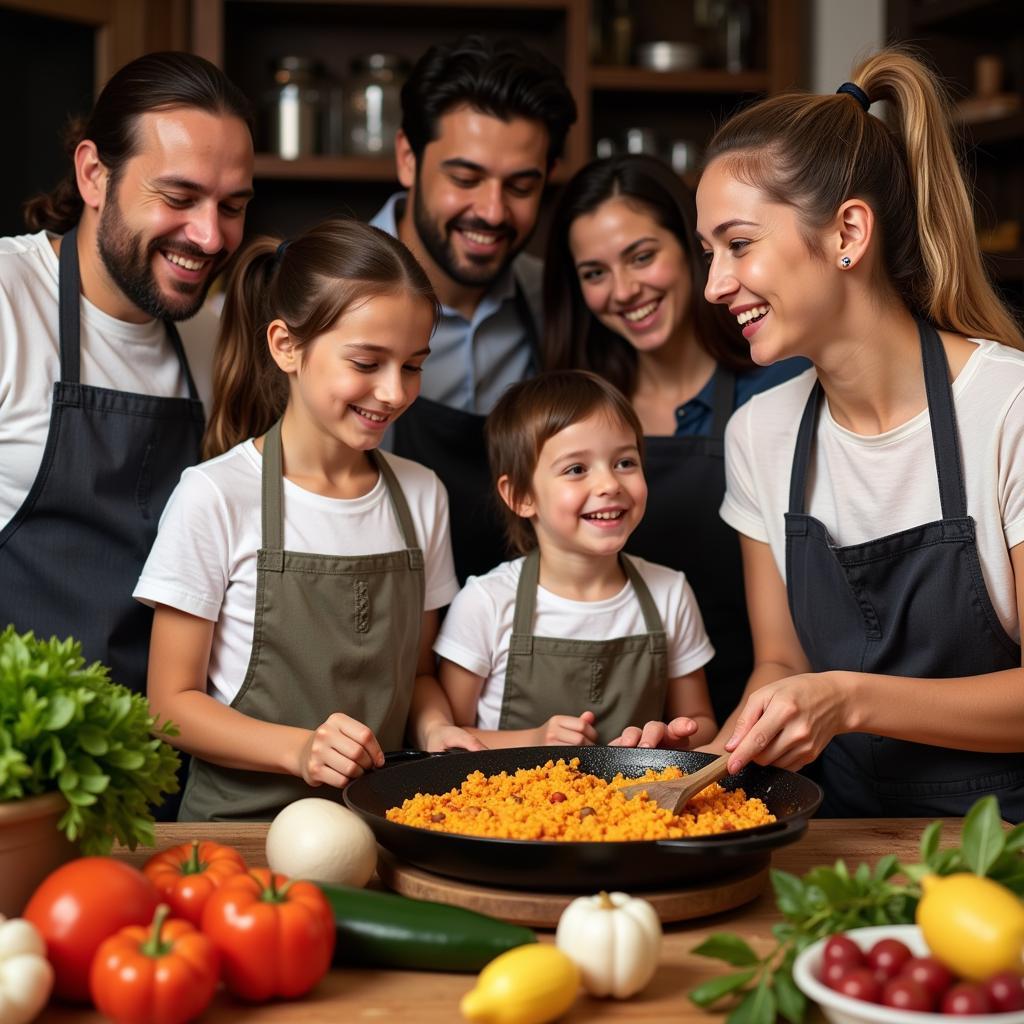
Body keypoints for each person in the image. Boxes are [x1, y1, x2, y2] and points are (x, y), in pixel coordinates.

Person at [696, 49, 1024, 820]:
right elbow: (780, 662)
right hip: (828, 842)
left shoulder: (1008, 409)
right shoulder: (760, 435)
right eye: (710, 252)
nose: (712, 285)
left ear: (848, 231)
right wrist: (710, 759)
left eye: (738, 245)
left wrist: (849, 700)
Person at [134, 220, 481, 821]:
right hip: (238, 834)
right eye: (368, 362)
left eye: (413, 365)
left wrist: (436, 728)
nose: (395, 392)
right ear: (286, 346)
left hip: (383, 828)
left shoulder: (423, 495)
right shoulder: (214, 496)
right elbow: (168, 705)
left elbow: (419, 675)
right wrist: (300, 750)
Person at [0, 52, 254, 697]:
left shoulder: (218, 335)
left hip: (177, 754)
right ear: (93, 174)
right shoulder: (8, 301)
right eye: (179, 197)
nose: (210, 236)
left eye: (232, 206)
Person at [542, 154, 807, 724]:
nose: (624, 290)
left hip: (763, 708)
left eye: (642, 257)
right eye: (594, 273)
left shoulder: (775, 387)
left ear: (692, 248)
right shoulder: (569, 414)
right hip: (606, 733)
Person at [370, 34, 577, 583]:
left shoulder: (557, 299)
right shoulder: (319, 290)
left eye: (521, 186)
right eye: (465, 179)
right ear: (408, 159)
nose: (491, 211)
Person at [435, 369, 717, 749]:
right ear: (520, 495)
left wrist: (673, 738)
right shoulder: (485, 603)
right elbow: (446, 740)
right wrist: (534, 739)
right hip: (507, 807)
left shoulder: (670, 592)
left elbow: (703, 722)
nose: (609, 484)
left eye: (625, 462)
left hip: (635, 805)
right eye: (576, 469)